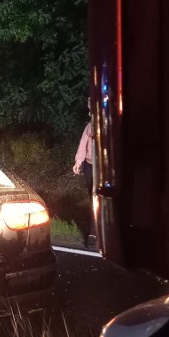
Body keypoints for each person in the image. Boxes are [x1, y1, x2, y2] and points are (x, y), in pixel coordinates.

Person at [72, 101, 97, 248]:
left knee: (99, 198)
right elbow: (83, 145)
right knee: (92, 197)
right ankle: (94, 232)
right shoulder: (90, 126)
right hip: (89, 165)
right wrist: (78, 162)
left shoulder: (108, 124)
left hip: (103, 167)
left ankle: (95, 233)